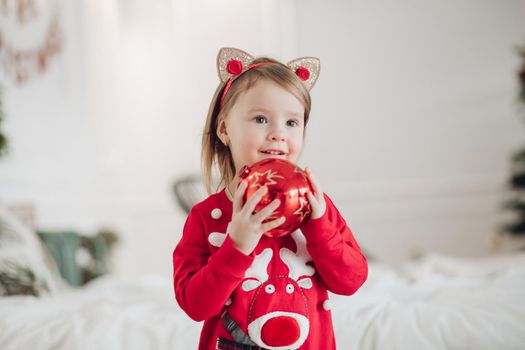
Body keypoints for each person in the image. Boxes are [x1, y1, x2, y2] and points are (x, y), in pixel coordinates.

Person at [172, 47, 368, 350]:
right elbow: (195, 306)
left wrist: (319, 229)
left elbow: (351, 281)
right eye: (261, 119)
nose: (278, 133)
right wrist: (236, 246)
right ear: (224, 128)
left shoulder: (317, 206)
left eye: (292, 122)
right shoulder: (205, 216)